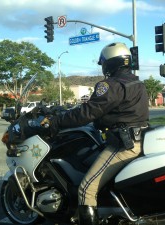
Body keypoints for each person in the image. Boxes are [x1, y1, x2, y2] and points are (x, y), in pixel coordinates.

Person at [47, 42, 149, 225]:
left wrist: (57, 121)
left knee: (86, 189)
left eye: (104, 63)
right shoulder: (137, 82)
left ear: (110, 63)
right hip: (140, 139)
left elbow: (87, 112)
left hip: (124, 145)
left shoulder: (111, 85)